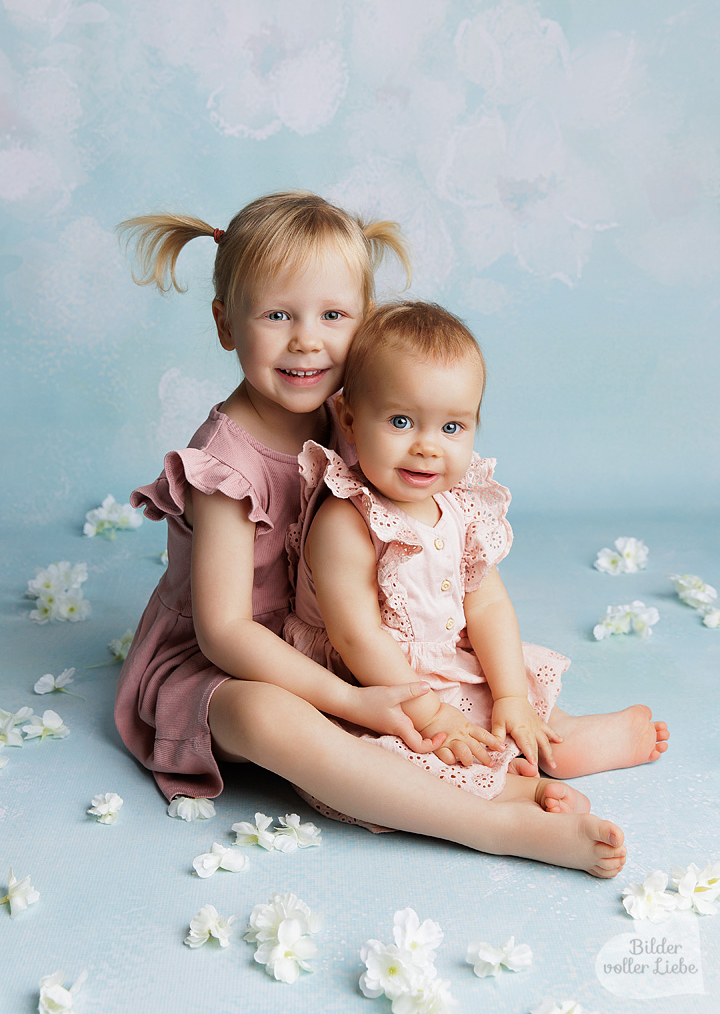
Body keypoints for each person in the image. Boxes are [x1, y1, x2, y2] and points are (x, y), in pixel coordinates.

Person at [114, 196, 638, 878]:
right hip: (232, 665)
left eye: (333, 316)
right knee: (274, 719)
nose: (308, 341)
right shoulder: (227, 464)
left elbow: (445, 558)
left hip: (341, 638)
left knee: (441, 660)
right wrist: (354, 701)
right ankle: (487, 822)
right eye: (277, 315)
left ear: (363, 324)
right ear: (225, 323)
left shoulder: (361, 417)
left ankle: (537, 740)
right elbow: (225, 634)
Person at [283, 300, 670, 870]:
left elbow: (485, 602)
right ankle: (526, 796)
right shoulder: (346, 519)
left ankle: (564, 741)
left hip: (445, 668)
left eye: (452, 426)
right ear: (347, 417)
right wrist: (430, 714)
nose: (427, 445)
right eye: (399, 421)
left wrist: (513, 693)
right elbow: (356, 636)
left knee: (502, 709)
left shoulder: (457, 506)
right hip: (377, 684)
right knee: (409, 758)